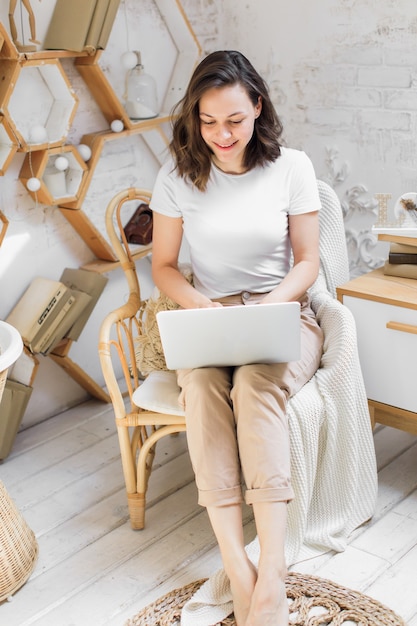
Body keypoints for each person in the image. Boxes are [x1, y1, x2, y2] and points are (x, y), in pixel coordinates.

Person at [150, 50, 323, 626]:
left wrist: (273, 304)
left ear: (258, 107)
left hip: (284, 314)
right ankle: (236, 562)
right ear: (194, 118)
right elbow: (166, 266)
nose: (221, 135)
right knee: (200, 387)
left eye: (234, 120)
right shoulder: (177, 176)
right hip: (211, 315)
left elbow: (307, 262)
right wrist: (200, 306)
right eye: (207, 121)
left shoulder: (293, 167)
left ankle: (270, 574)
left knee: (253, 386)